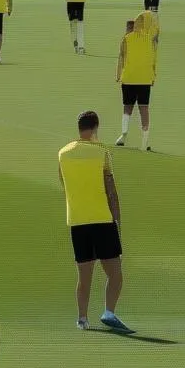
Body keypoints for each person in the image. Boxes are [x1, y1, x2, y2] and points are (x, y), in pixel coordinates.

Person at [58, 110, 131, 332]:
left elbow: (63, 182)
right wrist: (117, 219)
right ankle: (109, 312)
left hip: (77, 221)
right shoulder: (102, 152)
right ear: (96, 128)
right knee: (115, 273)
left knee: (84, 275)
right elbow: (111, 191)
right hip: (101, 219)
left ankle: (82, 319)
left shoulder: (63, 153)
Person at [114, 13, 159, 152]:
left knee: (127, 107)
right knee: (144, 109)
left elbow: (121, 58)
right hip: (145, 78)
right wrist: (153, 77)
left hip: (129, 78)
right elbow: (153, 59)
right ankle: (144, 143)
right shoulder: (149, 40)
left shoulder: (126, 39)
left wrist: (118, 75)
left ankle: (123, 134)